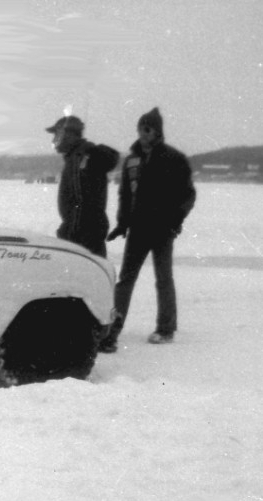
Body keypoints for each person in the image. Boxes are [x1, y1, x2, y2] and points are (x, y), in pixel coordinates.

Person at [99, 107, 196, 352]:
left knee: (163, 279)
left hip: (163, 231)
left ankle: (166, 329)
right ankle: (112, 332)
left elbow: (187, 195)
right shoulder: (132, 159)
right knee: (125, 281)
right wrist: (122, 223)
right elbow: (124, 195)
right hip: (138, 230)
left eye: (148, 129)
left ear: (157, 131)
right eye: (140, 128)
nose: (143, 133)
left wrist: (175, 221)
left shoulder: (174, 158)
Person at [45, 115, 119, 257]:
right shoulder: (76, 157)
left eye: (57, 135)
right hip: (86, 235)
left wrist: (69, 231)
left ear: (69, 135)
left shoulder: (80, 158)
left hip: (83, 238)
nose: (54, 140)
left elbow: (80, 202)